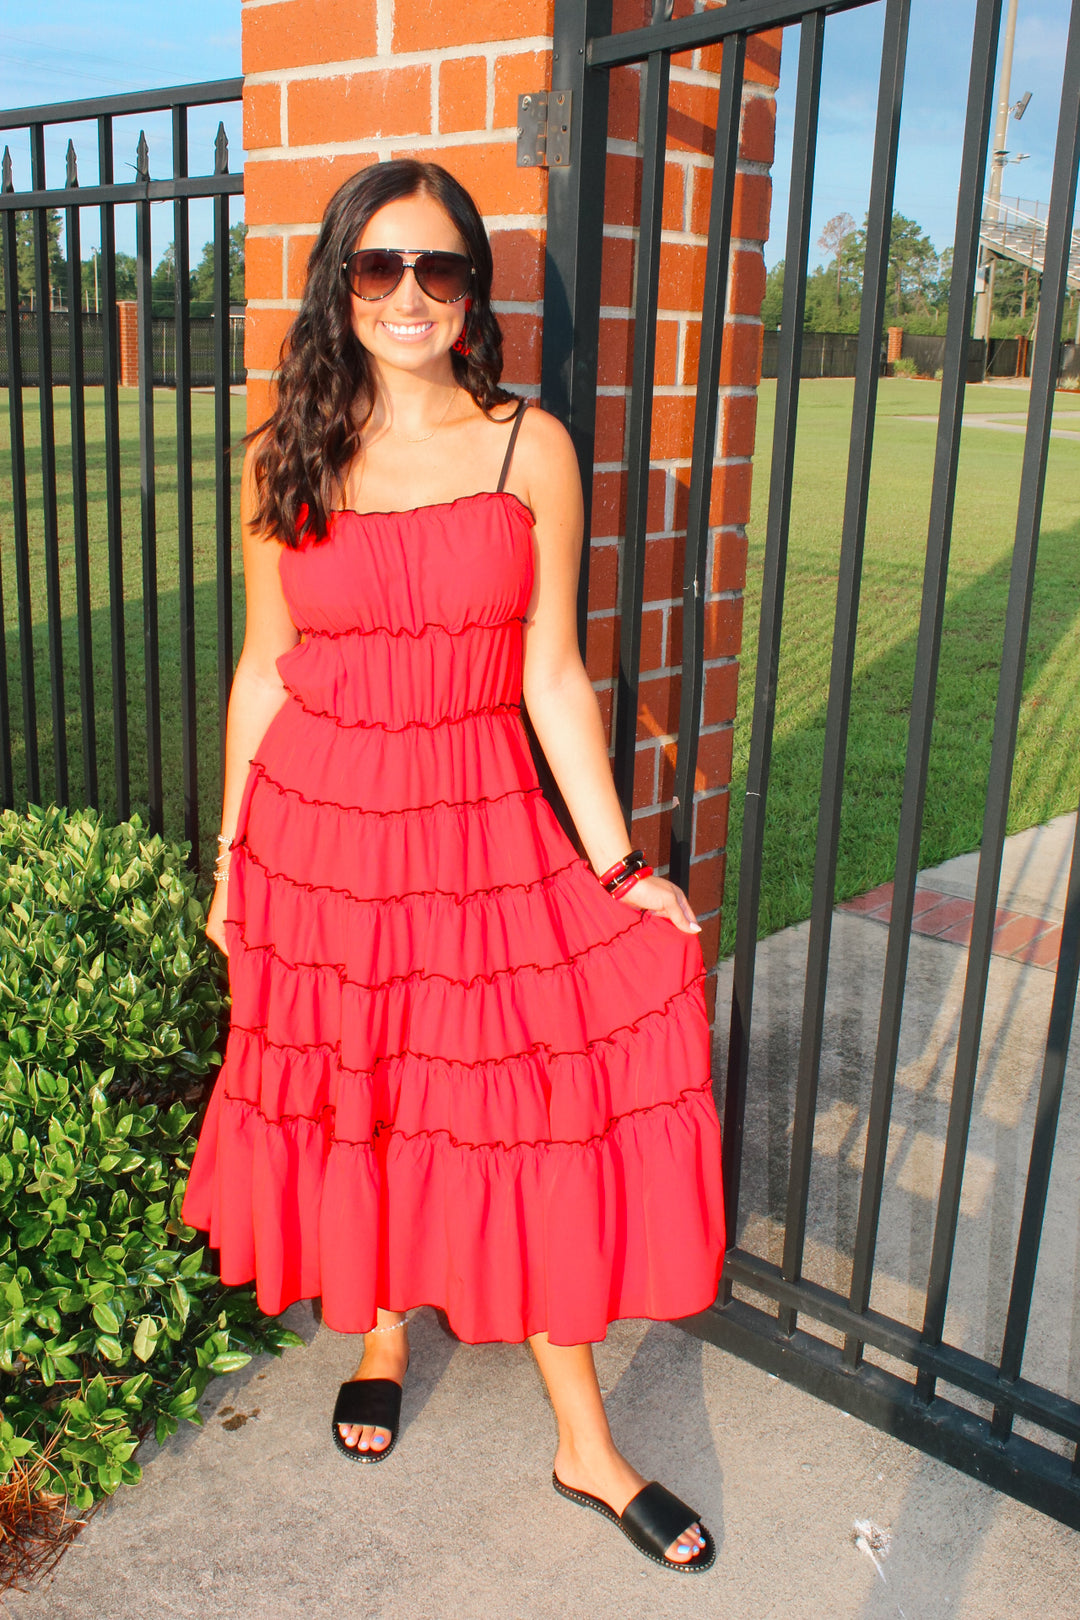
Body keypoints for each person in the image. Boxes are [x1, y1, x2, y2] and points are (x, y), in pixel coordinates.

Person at [182, 158, 726, 1575]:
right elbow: (263, 671)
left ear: (475, 293)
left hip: (478, 829)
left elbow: (554, 675)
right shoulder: (283, 451)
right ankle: (376, 1330)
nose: (409, 295)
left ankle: (585, 1444)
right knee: (363, 1100)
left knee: (524, 1119)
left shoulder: (524, 445)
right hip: (317, 843)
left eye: (439, 270)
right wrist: (233, 864)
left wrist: (617, 872)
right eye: (379, 268)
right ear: (340, 283)